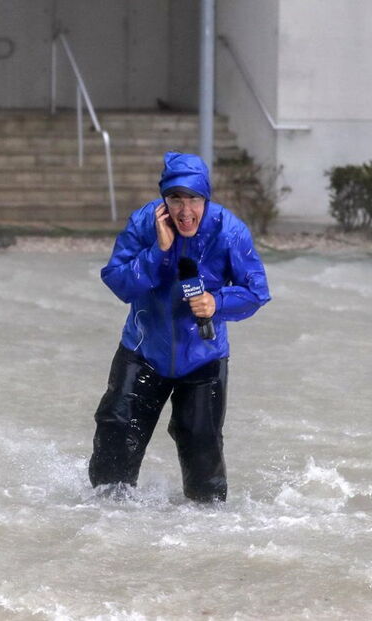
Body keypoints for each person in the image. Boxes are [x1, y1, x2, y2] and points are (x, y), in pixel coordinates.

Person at [88, 151, 271, 502]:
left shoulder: (228, 231)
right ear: (164, 199)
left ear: (206, 198)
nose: (185, 211)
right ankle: (103, 525)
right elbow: (118, 282)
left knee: (203, 456)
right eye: (175, 199)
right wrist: (158, 250)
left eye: (194, 199)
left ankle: (205, 538)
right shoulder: (144, 223)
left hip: (203, 357)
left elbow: (257, 291)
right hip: (142, 352)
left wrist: (218, 302)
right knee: (115, 435)